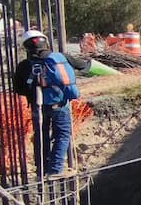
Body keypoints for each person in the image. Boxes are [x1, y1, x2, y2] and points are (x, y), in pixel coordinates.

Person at [13, 29, 89, 175]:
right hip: (60, 105)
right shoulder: (60, 57)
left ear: (26, 47)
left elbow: (19, 89)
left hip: (38, 107)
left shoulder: (24, 65)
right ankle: (55, 169)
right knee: (62, 135)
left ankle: (41, 168)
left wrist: (34, 87)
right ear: (45, 42)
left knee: (41, 136)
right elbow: (83, 66)